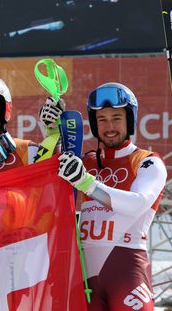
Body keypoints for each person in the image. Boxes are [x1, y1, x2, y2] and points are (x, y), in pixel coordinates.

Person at [57, 82, 166, 311]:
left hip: (127, 274)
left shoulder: (149, 162)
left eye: (116, 118)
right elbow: (43, 178)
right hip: (84, 277)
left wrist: (87, 183)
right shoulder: (84, 162)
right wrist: (51, 130)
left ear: (130, 120)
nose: (109, 127)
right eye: (102, 120)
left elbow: (138, 203)